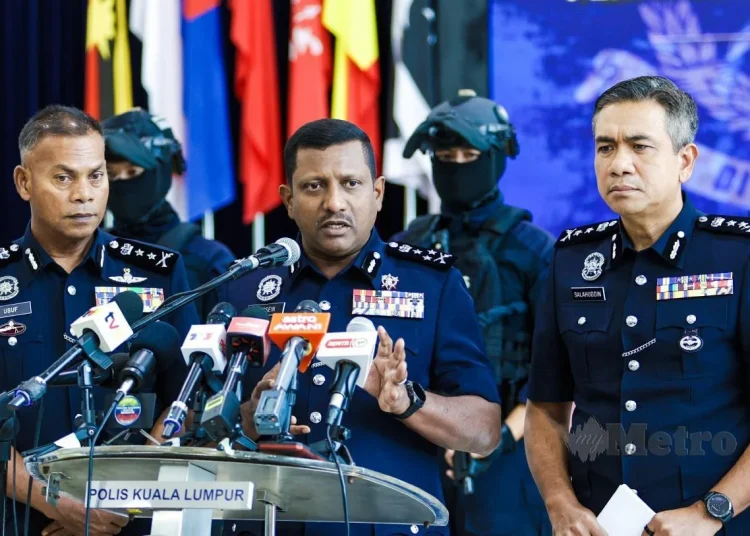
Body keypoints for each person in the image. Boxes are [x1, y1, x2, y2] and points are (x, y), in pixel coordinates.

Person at [224, 118, 502, 536]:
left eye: (351, 184)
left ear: (378, 193)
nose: (334, 202)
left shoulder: (432, 284)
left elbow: (484, 432)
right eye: (314, 186)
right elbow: (195, 429)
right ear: (288, 200)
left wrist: (407, 401)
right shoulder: (244, 287)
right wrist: (247, 419)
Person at [525, 75, 750, 536]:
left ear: (685, 161)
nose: (619, 164)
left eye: (640, 146)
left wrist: (711, 512)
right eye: (605, 147)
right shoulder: (572, 261)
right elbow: (546, 408)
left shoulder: (737, 258)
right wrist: (560, 503)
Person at [2, 105, 199, 536]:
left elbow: (189, 396)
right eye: (63, 178)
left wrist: (120, 498)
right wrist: (54, 503)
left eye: (96, 176)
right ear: (24, 182)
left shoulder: (159, 274)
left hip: (130, 518)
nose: (83, 194)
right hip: (21, 520)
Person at [395, 89, 554, 535]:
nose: (457, 166)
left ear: (499, 156)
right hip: (418, 448)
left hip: (508, 457)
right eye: (445, 156)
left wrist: (496, 440)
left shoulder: (533, 251)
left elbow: (559, 372)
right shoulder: (409, 246)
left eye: (470, 155)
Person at [101, 108, 236, 320]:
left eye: (133, 172)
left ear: (162, 172)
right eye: (111, 175)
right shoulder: (94, 253)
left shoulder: (208, 260)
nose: (122, 183)